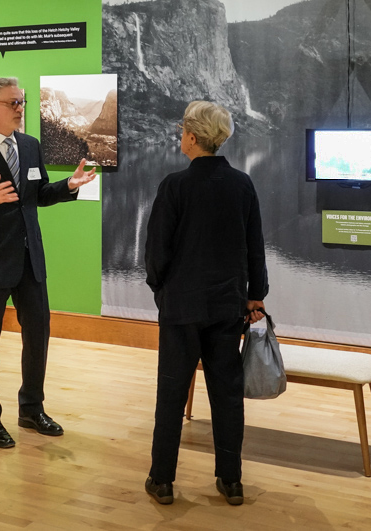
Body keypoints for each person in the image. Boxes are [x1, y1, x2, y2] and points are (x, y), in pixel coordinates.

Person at [0, 77, 97, 449]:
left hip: (30, 259)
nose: (19, 108)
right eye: (13, 102)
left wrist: (69, 187)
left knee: (38, 335)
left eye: (22, 101)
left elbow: (38, 195)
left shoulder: (29, 146)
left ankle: (31, 408)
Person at [143, 100, 268, 506]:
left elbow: (157, 251)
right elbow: (255, 248)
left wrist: (161, 290)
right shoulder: (242, 184)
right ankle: (231, 481)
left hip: (180, 308)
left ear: (193, 138)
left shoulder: (174, 186)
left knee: (171, 394)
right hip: (227, 307)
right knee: (227, 395)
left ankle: (162, 480)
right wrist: (255, 297)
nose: (180, 138)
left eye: (182, 132)